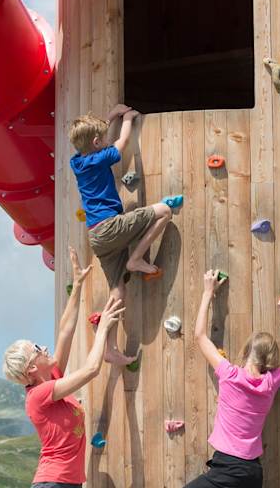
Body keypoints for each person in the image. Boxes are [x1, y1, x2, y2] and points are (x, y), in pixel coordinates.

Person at [2, 247, 124, 488]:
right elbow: (91, 370)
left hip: (63, 483)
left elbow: (65, 330)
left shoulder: (52, 378)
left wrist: (77, 285)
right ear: (31, 368)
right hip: (54, 483)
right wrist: (102, 331)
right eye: (37, 349)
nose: (45, 348)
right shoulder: (39, 395)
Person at [185, 270, 280, 488]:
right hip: (252, 473)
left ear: (245, 353)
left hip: (227, 469)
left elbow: (200, 335)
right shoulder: (271, 382)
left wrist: (208, 292)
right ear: (270, 360)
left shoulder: (229, 374)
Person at [69, 104, 173, 364]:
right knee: (164, 211)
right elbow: (122, 142)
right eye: (102, 139)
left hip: (97, 236)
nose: (106, 141)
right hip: (109, 227)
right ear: (97, 143)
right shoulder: (101, 157)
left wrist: (111, 116)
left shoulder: (77, 161)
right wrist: (127, 118)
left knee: (117, 291)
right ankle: (136, 259)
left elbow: (93, 140)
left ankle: (109, 347)